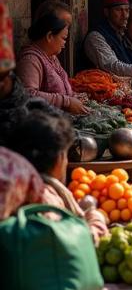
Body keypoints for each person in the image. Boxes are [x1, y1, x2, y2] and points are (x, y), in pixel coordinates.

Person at [0, 103, 107, 242]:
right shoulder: (44, 197)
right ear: (60, 158)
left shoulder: (13, 182)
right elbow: (77, 243)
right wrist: (94, 216)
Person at [16, 12, 88, 115]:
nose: (65, 43)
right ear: (49, 36)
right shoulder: (30, 60)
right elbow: (27, 95)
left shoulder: (51, 57)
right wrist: (66, 102)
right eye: (63, 38)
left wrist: (74, 97)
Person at [83, 0, 132, 72]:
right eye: (119, 10)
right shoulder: (96, 36)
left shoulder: (124, 33)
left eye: (127, 10)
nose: (125, 15)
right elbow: (112, 67)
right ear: (106, 12)